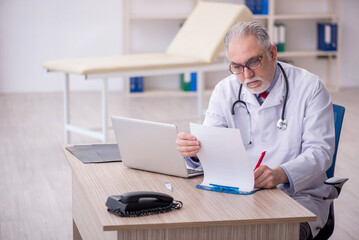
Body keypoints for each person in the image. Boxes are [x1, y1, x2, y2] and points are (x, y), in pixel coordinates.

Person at [176, 21, 338, 240]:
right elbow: (212, 146)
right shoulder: (225, 90)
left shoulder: (310, 88)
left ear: (272, 52)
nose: (247, 75)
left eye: (254, 61)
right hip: (238, 195)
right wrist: (195, 151)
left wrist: (280, 174)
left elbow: (320, 152)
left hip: (297, 197)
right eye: (237, 66)